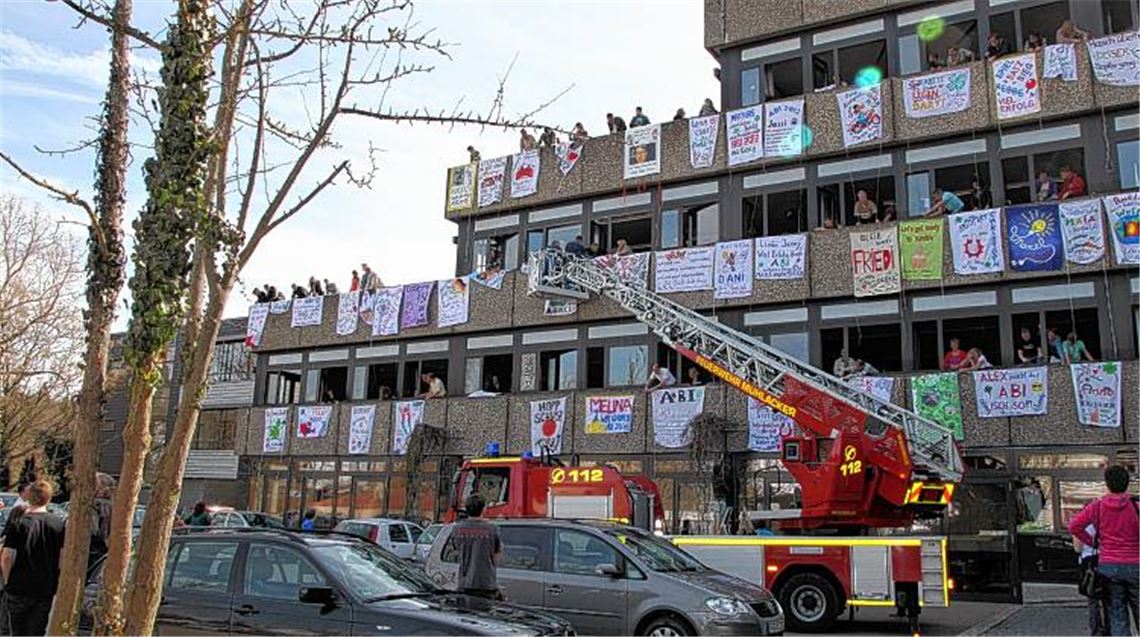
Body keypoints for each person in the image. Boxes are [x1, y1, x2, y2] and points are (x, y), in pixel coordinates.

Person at [1068, 465, 1139, 637]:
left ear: (1107, 484)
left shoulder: (1097, 507)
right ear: (1127, 483)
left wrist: (1095, 543)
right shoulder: (1136, 506)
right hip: (1136, 564)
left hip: (1107, 566)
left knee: (1116, 614)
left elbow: (1074, 526)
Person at [1, 480, 64, 636]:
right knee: (37, 630)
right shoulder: (57, 524)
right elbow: (62, 556)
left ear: (28, 496)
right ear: (49, 498)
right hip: (45, 586)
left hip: (19, 585)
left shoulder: (19, 523)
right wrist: (56, 576)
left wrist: (7, 579)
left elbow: (7, 556)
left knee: (17, 630)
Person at [453, 494, 502, 600]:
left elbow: (456, 551)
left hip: (464, 583)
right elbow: (496, 557)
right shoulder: (492, 529)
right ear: (483, 509)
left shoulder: (457, 529)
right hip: (486, 584)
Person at [1075, 521, 1108, 636]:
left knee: (1092, 597)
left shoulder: (1081, 525)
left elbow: (1077, 549)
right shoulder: (1106, 522)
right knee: (1109, 597)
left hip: (1088, 561)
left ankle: (1096, 629)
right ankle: (1109, 628)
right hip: (1106, 559)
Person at [89, 473, 115, 568]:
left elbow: (93, 531)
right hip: (108, 553)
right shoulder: (115, 506)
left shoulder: (95, 505)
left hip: (93, 553)